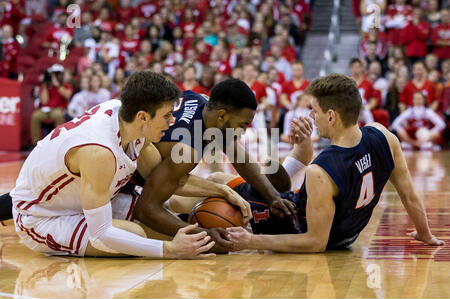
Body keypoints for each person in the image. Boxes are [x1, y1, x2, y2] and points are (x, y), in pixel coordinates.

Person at [174, 74, 444, 253]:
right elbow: (408, 193)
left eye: (314, 111)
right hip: (346, 235)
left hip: (285, 225)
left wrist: (251, 240)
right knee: (226, 181)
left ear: (330, 115)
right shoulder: (384, 136)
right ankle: (175, 210)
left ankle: (166, 214)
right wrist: (424, 233)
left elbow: (315, 242)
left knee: (214, 186)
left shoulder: (321, 171)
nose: (312, 117)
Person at [1, 71, 229, 259]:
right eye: (167, 115)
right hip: (42, 218)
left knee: (160, 222)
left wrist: (222, 194)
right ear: (143, 117)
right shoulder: (100, 152)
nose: (172, 122)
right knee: (136, 233)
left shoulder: (127, 119)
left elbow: (161, 180)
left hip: (77, 199)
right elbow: (101, 233)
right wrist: (169, 250)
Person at [131, 78, 297, 254]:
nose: (245, 131)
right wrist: (206, 234)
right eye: (243, 125)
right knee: (186, 243)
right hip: (120, 190)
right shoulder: (186, 150)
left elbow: (239, 156)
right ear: (222, 116)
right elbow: (146, 209)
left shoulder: (201, 101)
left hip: (146, 180)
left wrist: (273, 197)